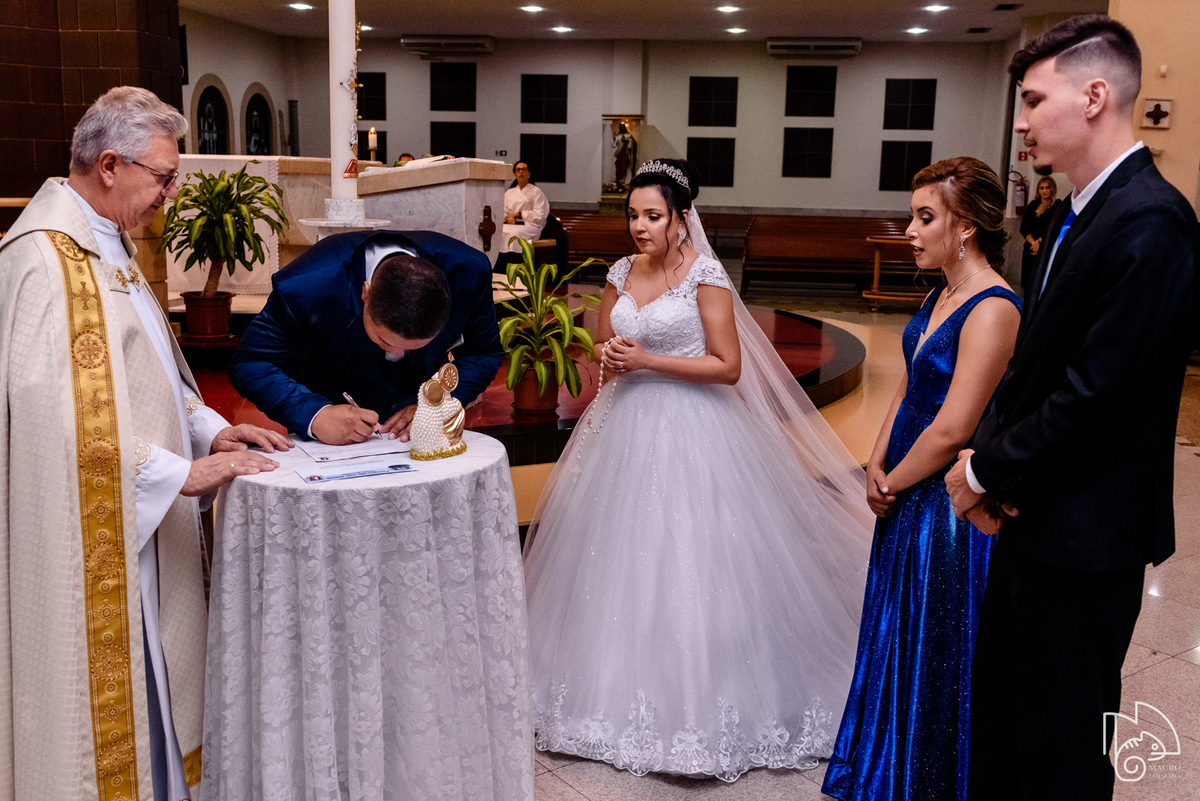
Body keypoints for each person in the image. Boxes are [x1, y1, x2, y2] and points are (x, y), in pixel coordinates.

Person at [523, 159, 875, 782]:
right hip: (623, 425)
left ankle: (707, 699)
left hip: (695, 427)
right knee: (614, 555)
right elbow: (606, 340)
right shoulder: (620, 271)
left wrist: (650, 359)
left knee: (694, 555)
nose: (639, 227)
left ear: (682, 220)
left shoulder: (706, 276)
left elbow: (728, 365)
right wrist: (609, 352)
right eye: (633, 215)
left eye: (653, 216)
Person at [0, 85, 289, 801]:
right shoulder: (44, 261)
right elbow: (49, 419)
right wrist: (176, 474)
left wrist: (212, 429)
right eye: (162, 176)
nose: (169, 193)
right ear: (108, 164)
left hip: (147, 526)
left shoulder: (110, 246)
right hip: (95, 539)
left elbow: (154, 374)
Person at [942, 16, 1198, 800]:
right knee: (1008, 722)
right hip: (1038, 517)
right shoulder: (1078, 213)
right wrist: (990, 468)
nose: (1019, 121)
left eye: (1032, 99)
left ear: (1094, 96)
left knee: (1061, 748)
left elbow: (1096, 396)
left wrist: (983, 467)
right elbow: (1030, 371)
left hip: (1090, 535)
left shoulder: (1150, 221)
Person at [822, 158, 1021, 801]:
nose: (910, 229)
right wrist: (873, 465)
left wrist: (895, 482)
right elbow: (907, 388)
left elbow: (952, 426)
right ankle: (883, 763)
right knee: (895, 627)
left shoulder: (994, 308)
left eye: (924, 217)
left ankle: (925, 777)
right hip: (905, 486)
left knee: (933, 643)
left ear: (965, 228)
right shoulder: (941, 294)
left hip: (944, 505)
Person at [229, 229, 503, 445]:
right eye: (385, 340)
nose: (396, 354)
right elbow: (252, 362)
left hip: (416, 438)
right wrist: (315, 415)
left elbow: (484, 352)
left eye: (414, 346)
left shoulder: (468, 272)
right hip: (330, 434)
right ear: (366, 293)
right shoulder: (306, 285)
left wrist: (435, 401)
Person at [1018, 175, 1060, 292]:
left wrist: (1040, 242)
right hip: (1030, 247)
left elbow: (1054, 227)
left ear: (1052, 189)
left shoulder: (1057, 205)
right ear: (1038, 190)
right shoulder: (1032, 205)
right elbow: (1024, 227)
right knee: (1028, 282)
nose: (1045, 191)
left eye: (1047, 187)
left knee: (1041, 282)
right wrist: (1033, 243)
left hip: (1046, 247)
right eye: (1042, 188)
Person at [502, 160, 550, 252]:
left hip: (531, 225)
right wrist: (507, 218)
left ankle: (516, 258)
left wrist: (518, 214)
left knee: (515, 233)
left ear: (528, 174)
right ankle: (502, 260)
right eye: (518, 170)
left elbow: (539, 215)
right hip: (512, 224)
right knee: (500, 231)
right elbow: (502, 212)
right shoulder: (509, 193)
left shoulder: (536, 192)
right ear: (515, 174)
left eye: (523, 170)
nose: (520, 172)